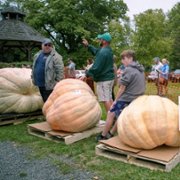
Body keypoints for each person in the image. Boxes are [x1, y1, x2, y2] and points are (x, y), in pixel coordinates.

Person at [96, 50, 146, 141]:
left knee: (111, 112)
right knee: (121, 114)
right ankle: (111, 133)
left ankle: (103, 135)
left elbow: (121, 88)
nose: (122, 61)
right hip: (138, 97)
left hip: (128, 97)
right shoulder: (140, 68)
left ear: (130, 58)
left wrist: (115, 101)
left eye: (124, 59)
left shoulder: (128, 69)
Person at [81, 32, 115, 112]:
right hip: (109, 79)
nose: (99, 40)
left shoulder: (103, 52)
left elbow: (96, 68)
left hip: (104, 80)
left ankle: (112, 120)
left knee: (106, 100)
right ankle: (115, 117)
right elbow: (97, 51)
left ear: (104, 41)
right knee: (109, 99)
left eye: (100, 39)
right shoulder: (107, 50)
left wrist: (86, 74)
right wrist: (88, 46)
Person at [31, 38, 64, 102]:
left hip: (50, 85)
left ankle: (52, 111)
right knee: (44, 100)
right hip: (39, 84)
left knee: (50, 102)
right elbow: (34, 67)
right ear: (42, 45)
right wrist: (32, 77)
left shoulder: (56, 56)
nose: (47, 46)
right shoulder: (37, 55)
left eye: (49, 45)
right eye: (46, 45)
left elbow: (60, 70)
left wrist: (58, 82)